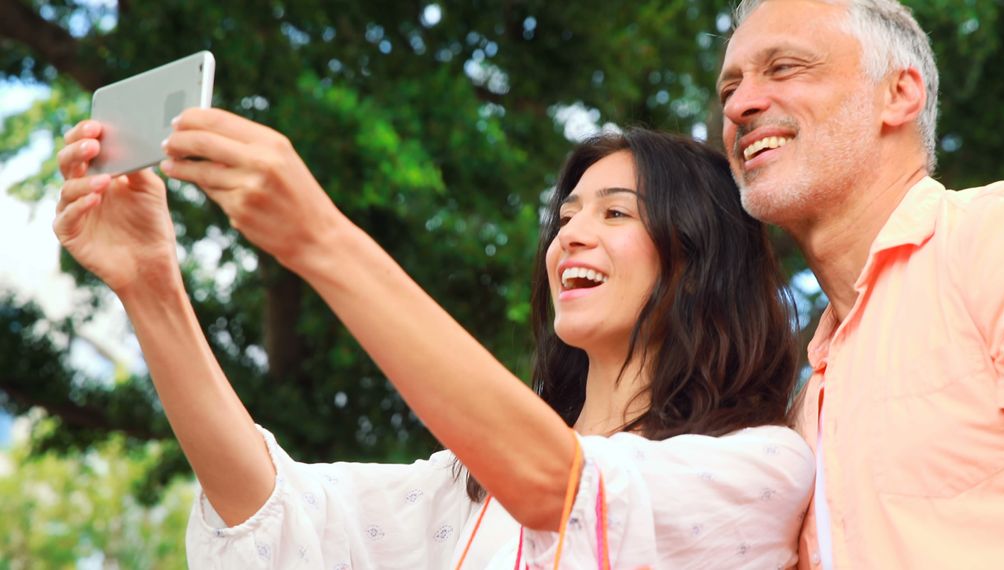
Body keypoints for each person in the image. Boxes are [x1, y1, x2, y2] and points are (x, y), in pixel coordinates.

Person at [54, 116, 814, 568]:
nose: (571, 235)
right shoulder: (471, 492)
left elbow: (563, 488)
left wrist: (319, 238)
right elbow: (275, 514)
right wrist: (150, 286)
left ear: (700, 255)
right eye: (567, 216)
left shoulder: (760, 470)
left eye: (616, 214)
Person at [717, 0, 1004, 568]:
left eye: (784, 67)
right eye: (729, 89)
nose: (740, 104)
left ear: (899, 96)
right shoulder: (806, 406)